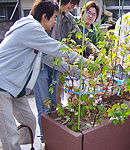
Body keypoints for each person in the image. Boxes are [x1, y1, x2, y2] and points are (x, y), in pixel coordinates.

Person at [0, 0, 87, 149]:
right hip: (3, 85)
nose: (55, 21)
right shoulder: (31, 28)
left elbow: (50, 59)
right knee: (9, 133)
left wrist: (77, 72)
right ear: (44, 16)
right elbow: (56, 49)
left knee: (29, 121)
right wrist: (85, 63)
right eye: (54, 17)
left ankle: (26, 146)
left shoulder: (34, 31)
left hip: (14, 87)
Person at [33, 0, 100, 143]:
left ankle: (55, 139)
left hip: (57, 65)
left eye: (75, 4)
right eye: (72, 2)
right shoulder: (45, 13)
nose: (73, 7)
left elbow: (81, 39)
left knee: (54, 105)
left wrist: (98, 52)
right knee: (44, 106)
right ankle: (46, 141)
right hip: (42, 64)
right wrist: (79, 69)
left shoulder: (68, 18)